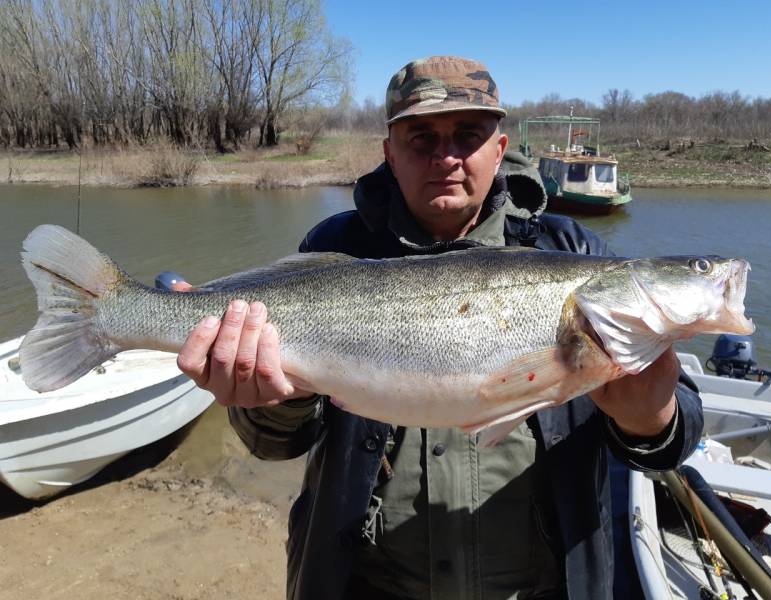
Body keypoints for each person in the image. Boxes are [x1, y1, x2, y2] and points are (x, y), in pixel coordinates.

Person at [176, 56, 703, 600]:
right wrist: (269, 402)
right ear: (389, 152)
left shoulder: (574, 253)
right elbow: (276, 443)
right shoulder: (335, 251)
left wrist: (650, 418)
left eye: (467, 136)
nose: (446, 157)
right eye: (421, 137)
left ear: (498, 150)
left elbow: (676, 436)